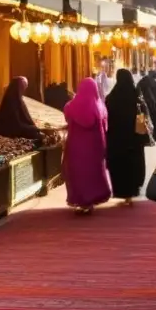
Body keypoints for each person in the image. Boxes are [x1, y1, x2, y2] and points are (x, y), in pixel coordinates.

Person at [63, 78, 112, 213]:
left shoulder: (72, 105)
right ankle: (90, 201)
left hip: (76, 146)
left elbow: (67, 114)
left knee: (79, 173)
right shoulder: (100, 106)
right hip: (95, 145)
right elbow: (105, 125)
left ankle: (81, 201)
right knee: (92, 172)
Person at [105, 69, 148, 206]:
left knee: (119, 165)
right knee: (133, 164)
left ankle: (121, 191)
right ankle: (132, 191)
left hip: (117, 139)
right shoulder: (135, 95)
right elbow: (144, 113)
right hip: (134, 138)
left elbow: (107, 117)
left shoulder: (111, 98)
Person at [0, 77, 43, 143]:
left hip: (17, 127)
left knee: (36, 130)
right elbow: (16, 124)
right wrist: (33, 127)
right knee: (35, 133)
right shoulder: (11, 101)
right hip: (10, 131)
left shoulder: (17, 99)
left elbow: (25, 117)